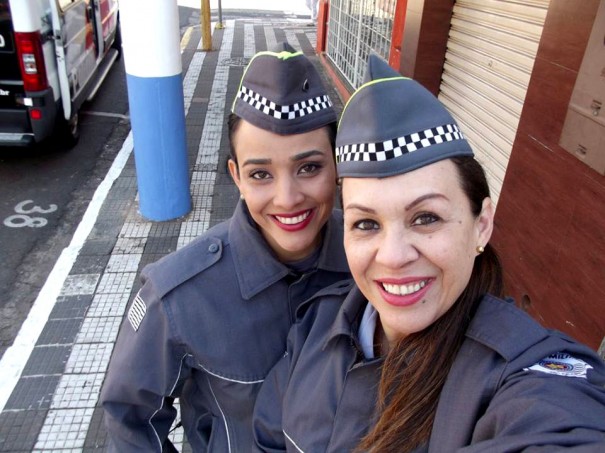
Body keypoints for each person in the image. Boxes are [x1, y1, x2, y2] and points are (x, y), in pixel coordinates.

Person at [253, 54, 605, 452]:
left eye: (425, 218)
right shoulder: (316, 326)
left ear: (482, 224)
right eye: (366, 224)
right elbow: (269, 438)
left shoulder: (523, 372)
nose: (393, 256)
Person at [100, 43, 351, 452]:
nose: (287, 198)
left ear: (337, 166)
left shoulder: (373, 265)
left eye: (309, 168)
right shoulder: (179, 296)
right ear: (236, 176)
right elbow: (129, 420)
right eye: (261, 174)